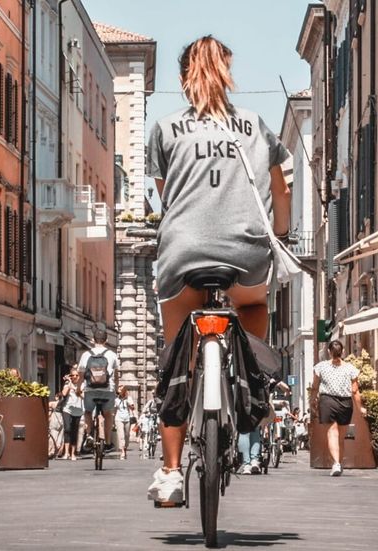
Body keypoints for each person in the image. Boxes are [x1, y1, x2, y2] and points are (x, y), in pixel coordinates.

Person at [145, 35, 291, 504]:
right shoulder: (255, 125)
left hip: (182, 251)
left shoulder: (165, 129)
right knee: (252, 305)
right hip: (246, 253)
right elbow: (280, 188)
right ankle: (254, 385)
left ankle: (169, 472)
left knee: (174, 360)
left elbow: (167, 196)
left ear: (183, 77)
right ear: (228, 72)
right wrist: (280, 234)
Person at [310, 340, 366, 476]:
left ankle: (337, 464)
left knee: (332, 433)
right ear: (343, 352)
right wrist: (361, 408)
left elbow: (315, 386)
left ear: (329, 352)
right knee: (340, 436)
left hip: (327, 401)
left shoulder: (320, 367)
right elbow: (355, 391)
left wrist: (312, 401)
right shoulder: (350, 368)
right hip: (345, 403)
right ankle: (337, 463)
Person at [79, 328, 119, 450]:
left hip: (90, 389)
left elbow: (80, 374)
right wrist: (116, 388)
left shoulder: (86, 355)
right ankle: (107, 441)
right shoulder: (112, 355)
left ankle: (90, 434)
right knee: (108, 414)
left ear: (92, 340)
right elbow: (116, 375)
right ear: (106, 340)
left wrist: (77, 388)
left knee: (88, 411)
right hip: (108, 389)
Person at [60, 366, 84, 461]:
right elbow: (64, 393)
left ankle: (73, 453)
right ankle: (66, 453)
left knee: (74, 431)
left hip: (78, 410)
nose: (74, 377)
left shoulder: (82, 385)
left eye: (76, 375)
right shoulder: (67, 384)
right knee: (67, 429)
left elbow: (83, 396)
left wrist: (75, 389)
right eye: (72, 375)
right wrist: (69, 383)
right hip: (67, 409)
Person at [113, 385, 133, 460]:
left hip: (127, 418)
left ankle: (125, 449)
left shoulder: (129, 398)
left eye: (121, 390)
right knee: (121, 436)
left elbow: (133, 408)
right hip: (118, 418)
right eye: (119, 390)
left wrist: (128, 404)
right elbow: (114, 409)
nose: (119, 391)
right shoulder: (116, 399)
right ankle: (122, 452)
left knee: (127, 435)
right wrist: (112, 419)